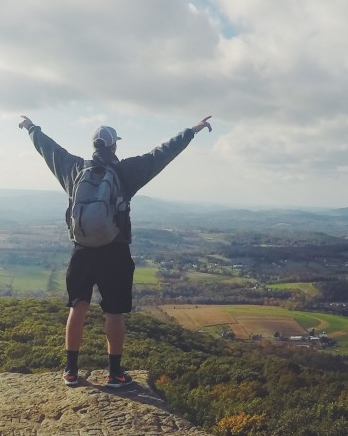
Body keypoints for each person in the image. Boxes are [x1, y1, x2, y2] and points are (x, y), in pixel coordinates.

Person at [19, 114, 213, 387]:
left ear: (94, 146)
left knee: (78, 308)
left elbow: (48, 148)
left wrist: (30, 127)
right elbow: (161, 154)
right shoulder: (125, 172)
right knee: (114, 312)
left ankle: (71, 371)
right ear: (114, 146)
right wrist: (191, 131)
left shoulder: (74, 168)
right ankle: (115, 374)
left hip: (82, 250)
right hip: (115, 251)